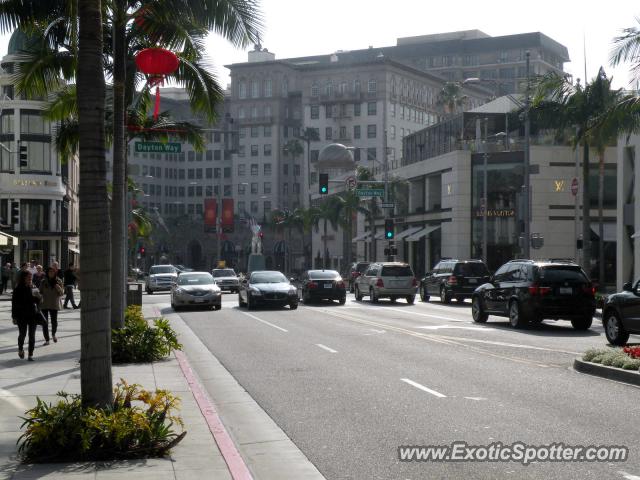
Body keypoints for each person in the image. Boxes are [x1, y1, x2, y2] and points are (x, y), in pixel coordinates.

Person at [11, 270, 39, 361]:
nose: (30, 279)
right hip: (21, 315)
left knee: (32, 335)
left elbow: (37, 301)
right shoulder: (18, 289)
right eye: (28, 278)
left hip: (32, 315)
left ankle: (30, 354)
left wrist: (38, 296)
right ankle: (20, 349)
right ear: (23, 278)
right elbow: (14, 304)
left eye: (31, 278)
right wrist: (14, 317)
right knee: (22, 334)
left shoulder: (33, 287)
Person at [40, 267, 63, 343]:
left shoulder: (58, 281)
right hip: (44, 304)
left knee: (54, 321)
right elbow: (40, 292)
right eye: (50, 272)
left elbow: (62, 293)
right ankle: (47, 339)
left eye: (53, 272)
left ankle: (53, 334)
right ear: (47, 272)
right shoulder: (43, 281)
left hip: (54, 304)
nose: (51, 273)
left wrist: (58, 287)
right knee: (44, 322)